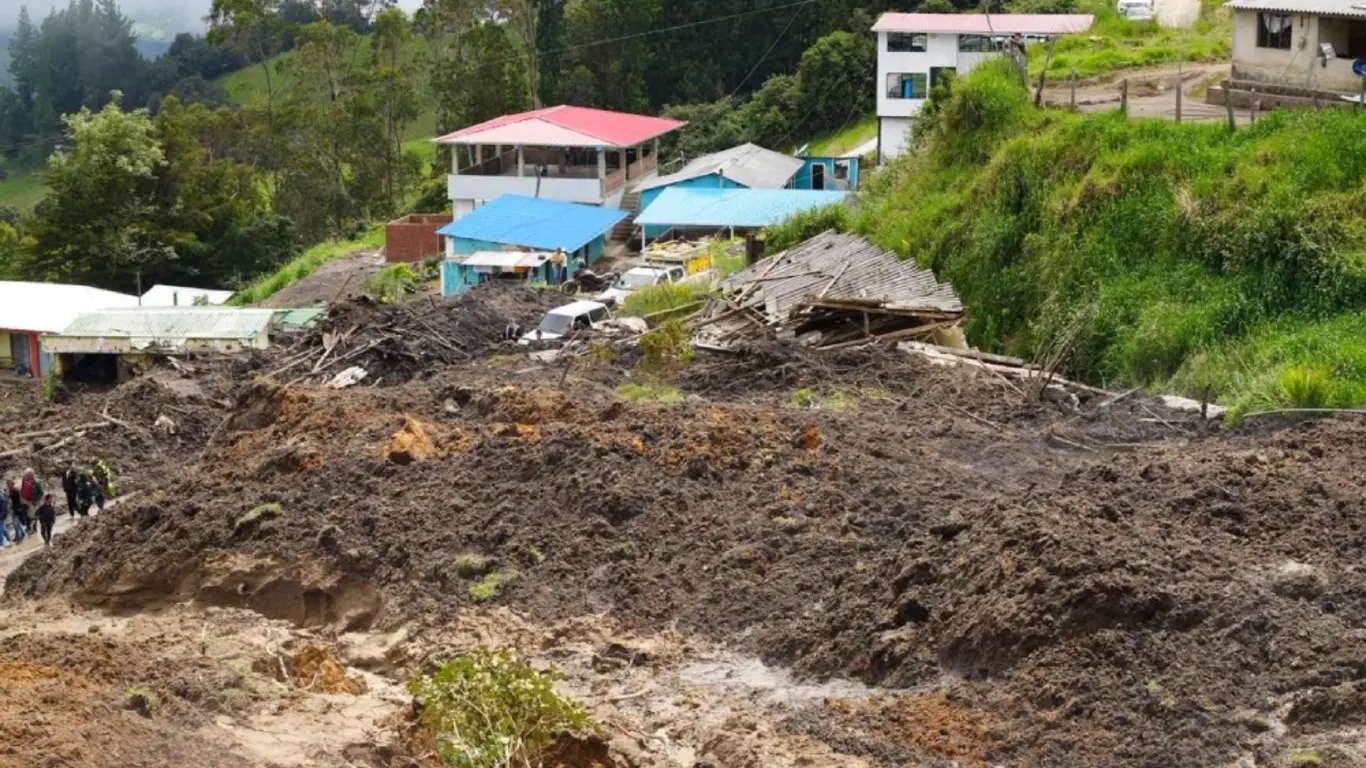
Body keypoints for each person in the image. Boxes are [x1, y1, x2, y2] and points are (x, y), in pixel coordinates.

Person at [18, 468, 43, 535]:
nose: (26, 476)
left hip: (34, 502)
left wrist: (36, 499)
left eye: (28, 475)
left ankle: (35, 530)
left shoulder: (37, 483)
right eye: (26, 475)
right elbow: (22, 490)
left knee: (34, 516)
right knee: (28, 516)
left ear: (32, 474)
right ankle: (30, 528)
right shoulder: (25, 481)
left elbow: (41, 493)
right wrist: (22, 498)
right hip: (26, 502)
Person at [7, 479, 26, 544]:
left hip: (18, 509)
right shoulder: (11, 490)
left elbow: (20, 499)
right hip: (14, 509)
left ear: (12, 484)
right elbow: (10, 498)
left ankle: (19, 535)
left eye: (9, 484)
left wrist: (20, 507)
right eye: (7, 484)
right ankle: (21, 534)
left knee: (16, 524)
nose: (8, 485)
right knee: (16, 524)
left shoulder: (15, 490)